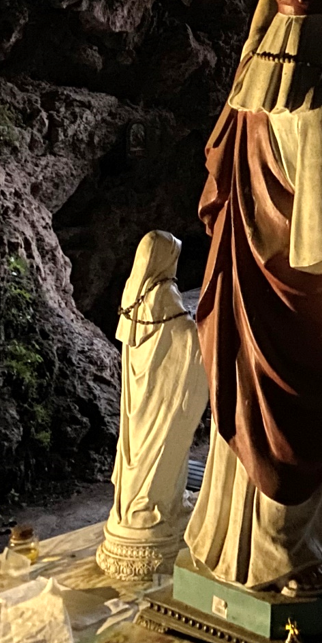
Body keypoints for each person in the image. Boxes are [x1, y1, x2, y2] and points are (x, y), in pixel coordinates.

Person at [186, 0, 322, 595]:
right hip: (301, 300)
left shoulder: (247, 96)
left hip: (243, 285)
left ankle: (225, 540)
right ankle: (282, 554)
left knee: (245, 411)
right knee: (293, 420)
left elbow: (257, 47)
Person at [98, 230, 208, 580]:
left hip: (139, 400)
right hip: (163, 400)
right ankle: (155, 511)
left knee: (139, 456)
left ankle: (132, 511)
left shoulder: (135, 291)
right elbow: (188, 341)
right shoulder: (164, 293)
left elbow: (138, 342)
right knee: (161, 452)